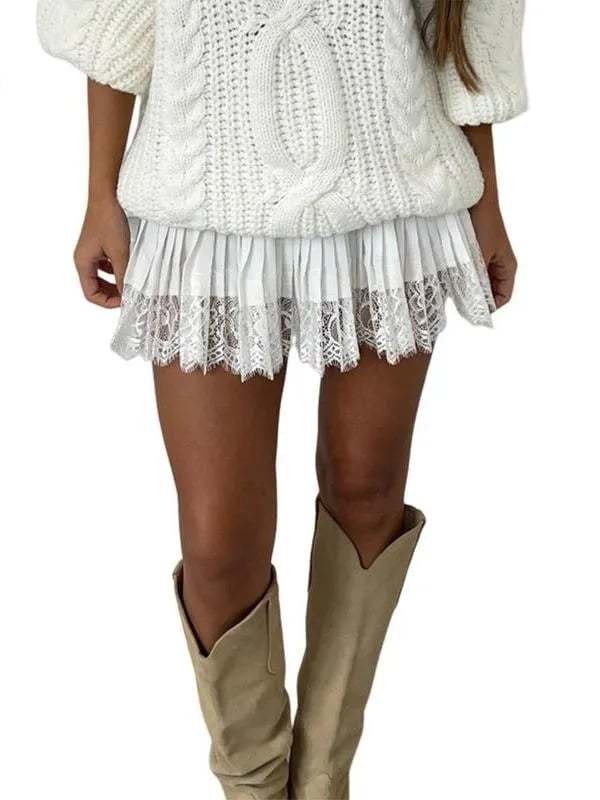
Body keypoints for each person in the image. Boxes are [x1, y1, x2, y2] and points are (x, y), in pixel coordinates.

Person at [37, 1, 527, 797]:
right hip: (201, 203)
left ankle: (324, 779)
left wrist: (488, 200)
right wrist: (99, 191)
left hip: (394, 195)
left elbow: (463, 22)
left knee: (367, 488)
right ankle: (255, 789)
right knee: (218, 545)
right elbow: (112, 18)